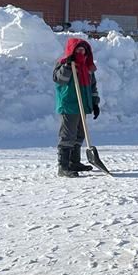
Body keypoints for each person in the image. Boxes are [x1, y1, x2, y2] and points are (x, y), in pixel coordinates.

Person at [53, 38, 100, 177]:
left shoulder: (87, 67)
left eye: (83, 50)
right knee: (68, 135)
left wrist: (95, 103)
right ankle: (63, 166)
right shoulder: (63, 64)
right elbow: (60, 79)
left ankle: (74, 162)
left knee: (80, 133)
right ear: (72, 51)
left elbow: (93, 87)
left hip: (83, 104)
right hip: (69, 104)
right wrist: (68, 65)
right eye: (78, 50)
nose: (81, 52)